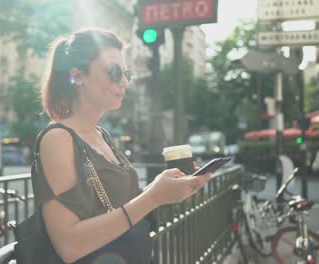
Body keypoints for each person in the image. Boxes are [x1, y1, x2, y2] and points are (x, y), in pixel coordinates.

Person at [32, 28, 211, 264]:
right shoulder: (58, 138)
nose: (125, 82)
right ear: (77, 76)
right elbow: (69, 245)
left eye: (126, 73)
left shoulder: (101, 135)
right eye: (115, 72)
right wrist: (152, 198)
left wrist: (165, 190)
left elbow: (117, 207)